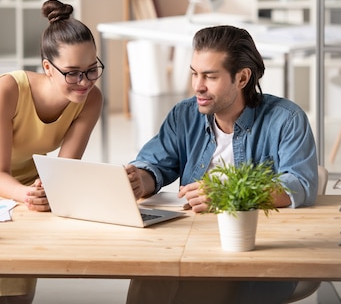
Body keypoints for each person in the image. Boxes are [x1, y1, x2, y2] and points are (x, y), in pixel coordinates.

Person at [125, 25, 318, 304]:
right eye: (194, 73)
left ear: (242, 78)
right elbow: (154, 163)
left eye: (210, 76)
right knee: (148, 276)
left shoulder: (286, 119)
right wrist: (137, 180)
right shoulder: (184, 114)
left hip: (257, 253)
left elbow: (299, 185)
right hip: (191, 243)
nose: (197, 86)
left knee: (194, 286)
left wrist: (226, 193)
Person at [0, 0, 103, 304]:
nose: (85, 82)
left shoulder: (91, 100)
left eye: (92, 70)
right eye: (73, 73)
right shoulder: (8, 89)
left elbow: (62, 172)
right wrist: (28, 195)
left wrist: (45, 190)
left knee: (23, 258)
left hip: (23, 169)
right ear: (47, 68)